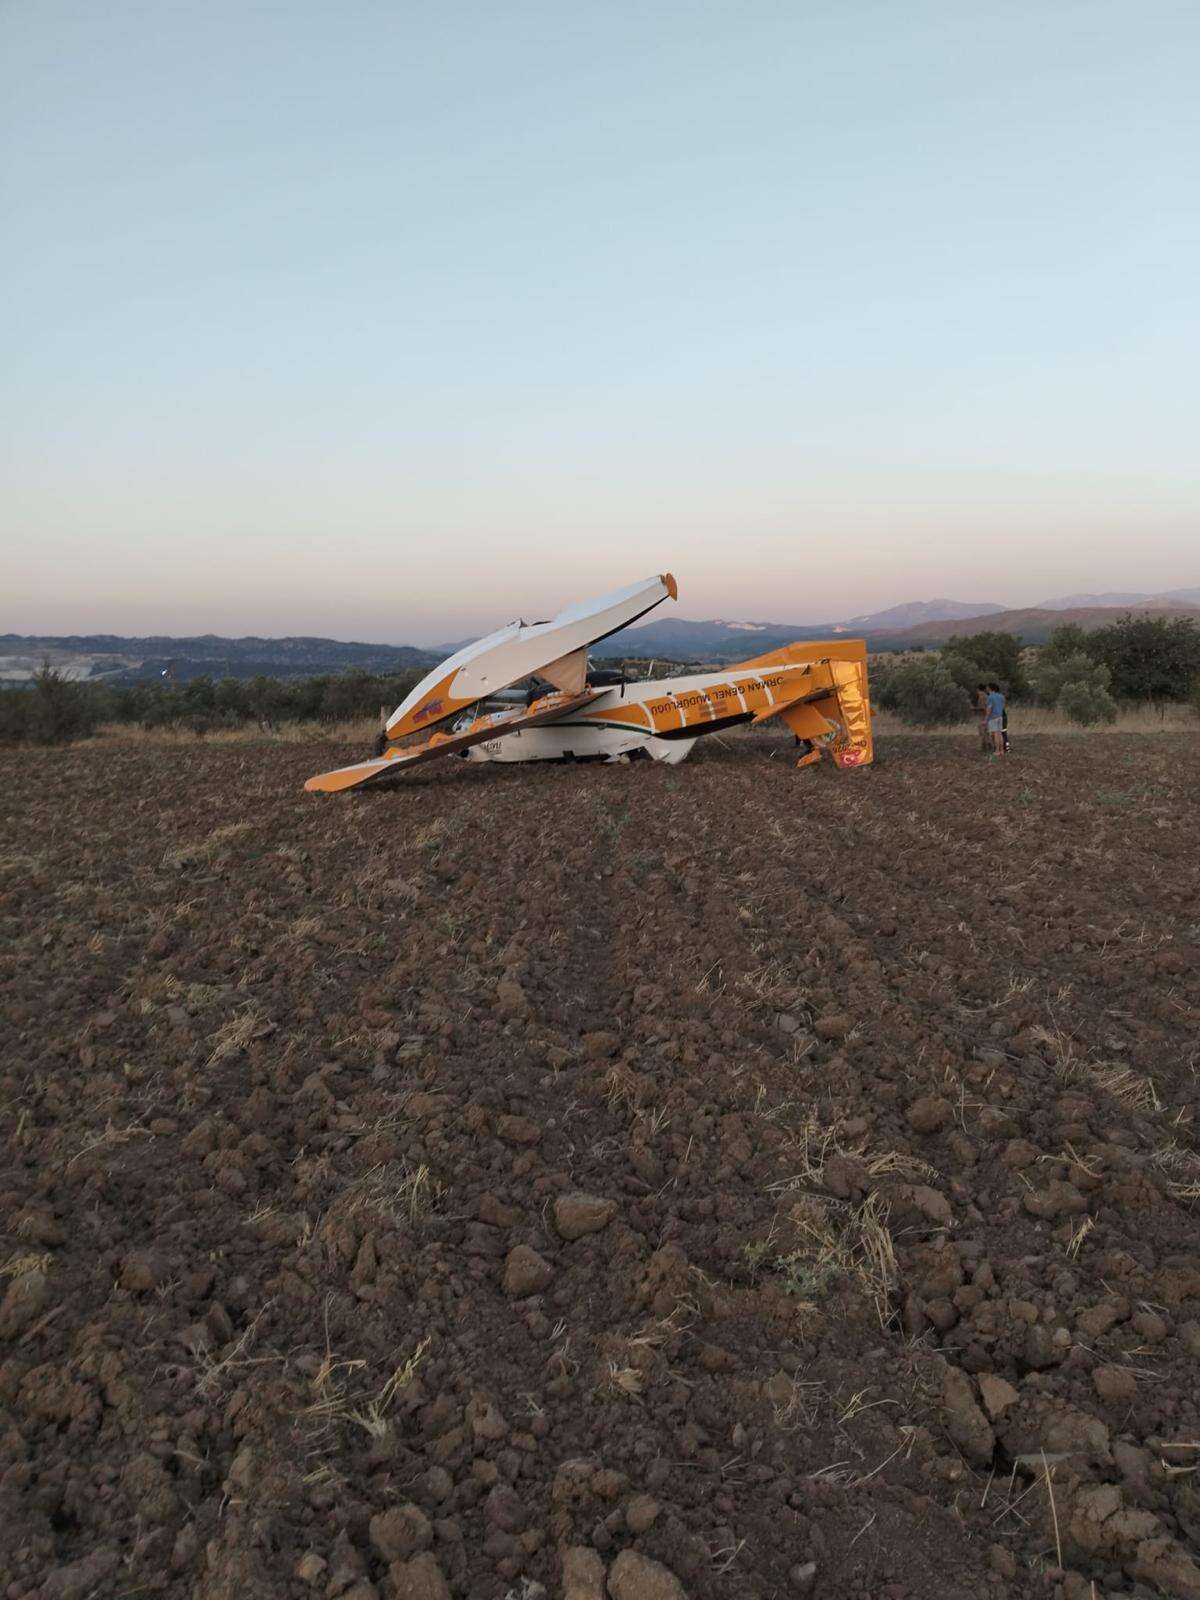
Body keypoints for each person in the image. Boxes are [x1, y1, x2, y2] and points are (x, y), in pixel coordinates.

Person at [985, 682, 1006, 756]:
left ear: (990, 688)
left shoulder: (990, 697)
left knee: (995, 734)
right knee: (1000, 734)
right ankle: (1002, 750)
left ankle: (997, 751)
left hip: (993, 717)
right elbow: (1003, 706)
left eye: (987, 687)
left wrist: (986, 719)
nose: (986, 689)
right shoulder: (1001, 696)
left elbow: (989, 708)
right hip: (1000, 716)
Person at [973, 683, 991, 754]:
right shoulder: (986, 696)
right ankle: (988, 747)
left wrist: (974, 708)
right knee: (986, 732)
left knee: (982, 732)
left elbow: (982, 708)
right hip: (987, 716)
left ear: (978, 689)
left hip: (983, 716)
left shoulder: (982, 696)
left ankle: (984, 748)